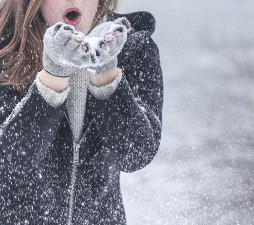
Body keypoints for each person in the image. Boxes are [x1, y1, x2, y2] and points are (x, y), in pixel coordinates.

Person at [0, 0, 163, 224]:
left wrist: (106, 75)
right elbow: (10, 161)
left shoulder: (134, 47)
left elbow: (135, 155)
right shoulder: (5, 48)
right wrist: (53, 76)